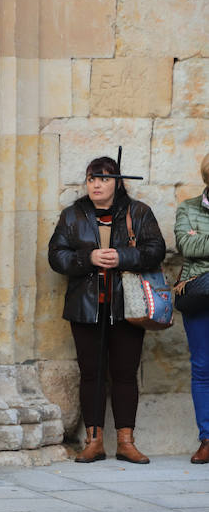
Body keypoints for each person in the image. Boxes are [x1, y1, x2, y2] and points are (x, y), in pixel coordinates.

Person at [48, 157, 165, 464]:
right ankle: (93, 441)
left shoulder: (138, 213)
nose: (96, 185)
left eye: (102, 179)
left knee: (125, 374)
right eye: (91, 179)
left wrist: (122, 257)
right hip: (86, 307)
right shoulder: (73, 215)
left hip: (126, 307)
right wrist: (89, 258)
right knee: (92, 374)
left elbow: (156, 250)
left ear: (117, 182)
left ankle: (126, 442)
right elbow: (56, 255)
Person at [174, 152, 209, 464]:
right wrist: (195, 241)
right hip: (200, 294)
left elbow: (199, 245)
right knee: (202, 366)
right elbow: (187, 246)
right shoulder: (188, 208)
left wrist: (203, 240)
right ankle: (207, 438)